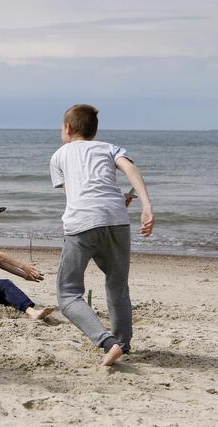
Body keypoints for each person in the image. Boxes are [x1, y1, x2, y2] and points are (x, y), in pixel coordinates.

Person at [50, 104, 154, 366]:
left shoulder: (59, 155)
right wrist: (146, 205)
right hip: (117, 221)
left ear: (68, 128)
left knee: (68, 294)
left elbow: (76, 194)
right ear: (94, 131)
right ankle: (123, 344)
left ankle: (109, 343)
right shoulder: (108, 148)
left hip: (82, 225)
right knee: (117, 285)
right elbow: (130, 169)